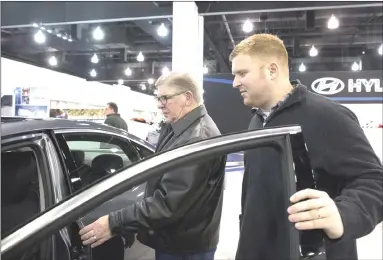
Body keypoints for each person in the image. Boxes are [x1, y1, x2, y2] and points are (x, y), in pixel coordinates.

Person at [230, 33, 383, 260]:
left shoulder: (327, 116)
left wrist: (343, 214)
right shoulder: (257, 121)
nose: (235, 83)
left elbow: (374, 181)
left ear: (272, 70)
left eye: (242, 73)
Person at [79, 72, 227, 260]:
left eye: (165, 98)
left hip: (184, 248)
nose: (159, 104)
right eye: (158, 98)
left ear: (187, 98)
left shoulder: (197, 138)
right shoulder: (178, 128)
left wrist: (114, 222)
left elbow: (168, 204)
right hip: (177, 238)